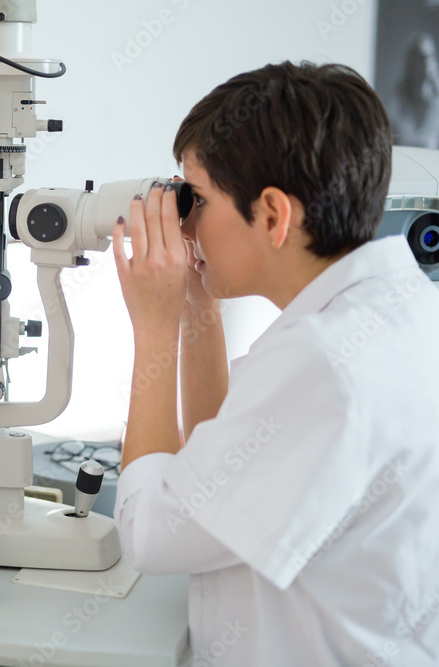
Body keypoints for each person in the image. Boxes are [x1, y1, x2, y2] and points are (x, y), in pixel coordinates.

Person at [111, 62, 439, 666]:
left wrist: (153, 329)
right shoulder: (397, 313)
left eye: (198, 199)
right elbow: (219, 462)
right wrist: (195, 303)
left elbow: (150, 535)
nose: (187, 221)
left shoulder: (323, 364)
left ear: (272, 215)